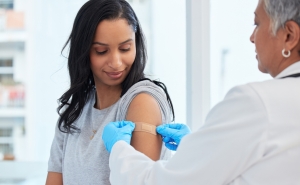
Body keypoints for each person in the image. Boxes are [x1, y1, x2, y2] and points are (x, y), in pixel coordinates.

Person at [102, 0, 300, 184]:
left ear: (289, 36)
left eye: (257, 24)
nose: (251, 37)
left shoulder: (258, 103)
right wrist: (198, 149)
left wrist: (120, 150)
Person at [46, 0, 175, 184]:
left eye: (125, 49)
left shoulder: (142, 101)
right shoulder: (73, 113)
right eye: (101, 51)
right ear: (83, 51)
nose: (116, 63)